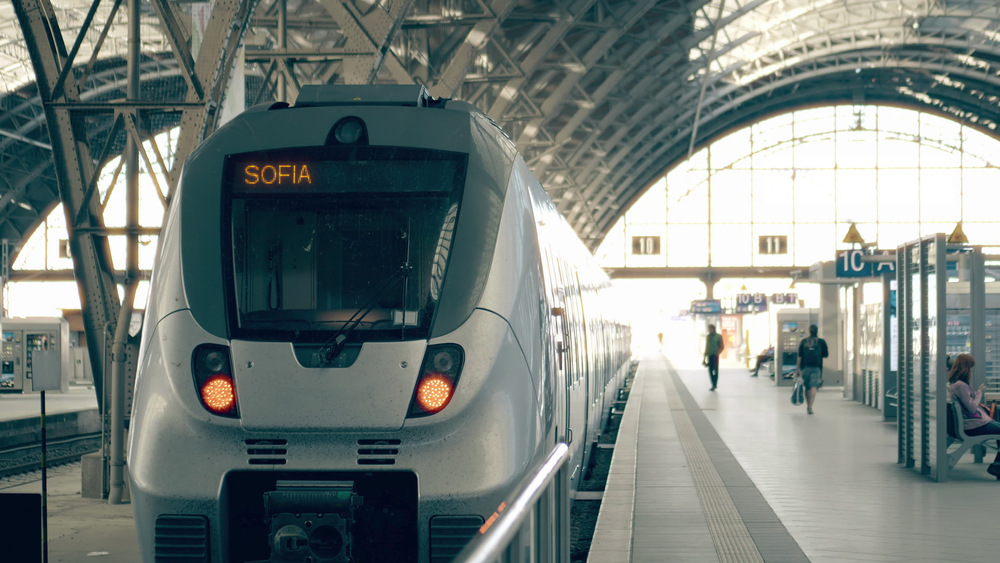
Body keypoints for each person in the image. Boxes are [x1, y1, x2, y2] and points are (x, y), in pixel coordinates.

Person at [947, 353, 1000, 478]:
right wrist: (979, 393)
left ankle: (998, 465)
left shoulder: (957, 384)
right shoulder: (961, 386)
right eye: (970, 367)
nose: (971, 370)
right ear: (965, 368)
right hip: (973, 426)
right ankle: (997, 466)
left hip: (971, 424)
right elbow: (971, 408)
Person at [795, 324, 828, 415]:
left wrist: (797, 370)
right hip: (816, 367)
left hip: (805, 367)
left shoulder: (803, 341)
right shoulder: (821, 342)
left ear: (809, 331)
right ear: (817, 331)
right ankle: (810, 407)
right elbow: (825, 355)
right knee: (814, 386)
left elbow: (799, 357)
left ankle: (808, 405)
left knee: (807, 387)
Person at [704, 324, 724, 391]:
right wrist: (704, 357)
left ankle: (715, 384)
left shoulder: (718, 336)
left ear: (713, 329)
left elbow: (722, 346)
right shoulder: (708, 337)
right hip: (709, 355)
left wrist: (717, 353)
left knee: (715, 370)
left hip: (715, 356)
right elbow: (706, 347)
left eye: (710, 329)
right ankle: (712, 384)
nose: (709, 330)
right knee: (710, 371)